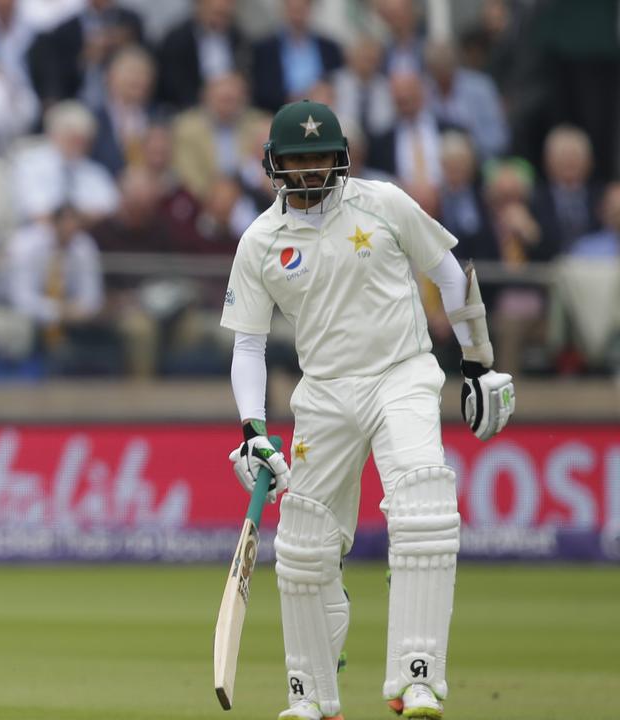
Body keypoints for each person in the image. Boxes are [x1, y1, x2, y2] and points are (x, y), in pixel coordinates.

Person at [219, 100, 516, 720]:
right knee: (302, 546)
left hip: (400, 373)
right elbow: (247, 344)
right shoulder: (260, 241)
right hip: (323, 392)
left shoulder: (383, 203)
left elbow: (450, 273)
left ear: (342, 156)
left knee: (423, 506)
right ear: (273, 164)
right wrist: (253, 432)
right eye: (295, 161)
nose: (307, 173)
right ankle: (312, 697)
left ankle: (418, 679)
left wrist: (478, 362)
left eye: (319, 158)